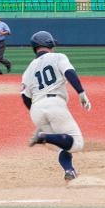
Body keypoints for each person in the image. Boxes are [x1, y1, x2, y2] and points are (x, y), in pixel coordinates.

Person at [21, 31, 91, 181]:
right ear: (49, 44)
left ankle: (69, 170)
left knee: (61, 144)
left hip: (36, 109)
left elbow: (25, 97)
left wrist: (36, 112)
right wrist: (81, 93)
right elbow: (69, 72)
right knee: (77, 143)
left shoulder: (28, 69)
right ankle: (43, 136)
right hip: (55, 104)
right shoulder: (58, 57)